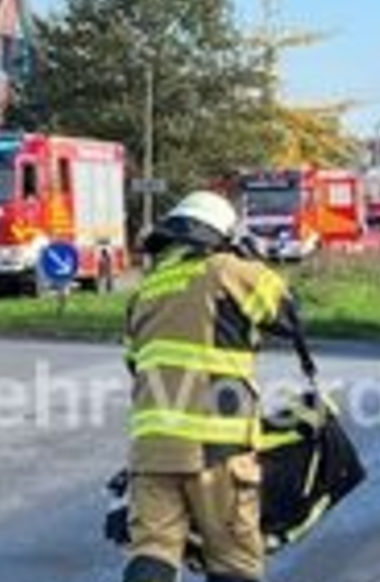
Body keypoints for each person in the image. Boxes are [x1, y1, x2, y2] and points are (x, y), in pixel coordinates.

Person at [122, 190, 295, 582]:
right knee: (234, 561)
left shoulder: (144, 292)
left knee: (153, 549)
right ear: (222, 236)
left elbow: (135, 363)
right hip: (218, 449)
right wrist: (251, 260)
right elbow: (287, 312)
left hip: (152, 449)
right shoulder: (228, 269)